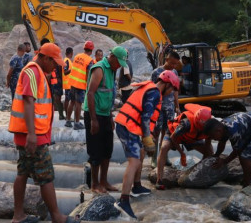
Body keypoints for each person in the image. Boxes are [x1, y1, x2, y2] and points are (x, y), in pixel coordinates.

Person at [9, 43, 79, 223]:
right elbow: (28, 101)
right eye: (54, 62)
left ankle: (18, 216)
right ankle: (57, 217)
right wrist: (32, 134)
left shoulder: (38, 72)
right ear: (45, 58)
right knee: (46, 175)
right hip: (32, 135)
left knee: (23, 172)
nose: (55, 66)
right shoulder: (32, 72)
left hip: (28, 133)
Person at [113, 70, 180, 219]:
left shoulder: (150, 87)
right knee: (134, 161)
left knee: (141, 153)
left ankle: (136, 187)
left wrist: (148, 134)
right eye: (172, 89)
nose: (171, 93)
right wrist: (147, 138)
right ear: (167, 84)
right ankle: (123, 200)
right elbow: (145, 117)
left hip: (129, 125)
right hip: (127, 126)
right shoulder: (154, 93)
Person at [83, 46, 127, 193]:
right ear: (112, 57)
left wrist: (109, 116)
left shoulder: (113, 70)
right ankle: (95, 184)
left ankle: (104, 181)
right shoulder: (99, 68)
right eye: (119, 62)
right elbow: (90, 94)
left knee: (107, 149)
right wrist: (93, 120)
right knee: (95, 150)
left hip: (105, 113)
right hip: (93, 113)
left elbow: (108, 95)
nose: (120, 66)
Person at [203, 112, 251, 187]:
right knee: (242, 152)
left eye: (212, 136)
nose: (213, 139)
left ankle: (247, 183)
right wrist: (216, 155)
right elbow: (222, 141)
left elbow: (237, 151)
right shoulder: (223, 127)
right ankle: (246, 178)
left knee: (244, 156)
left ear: (218, 130)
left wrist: (224, 161)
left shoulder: (233, 130)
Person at [155, 103, 213, 190]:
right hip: (175, 134)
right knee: (164, 148)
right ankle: (159, 180)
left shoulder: (210, 126)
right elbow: (173, 137)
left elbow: (208, 144)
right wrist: (182, 154)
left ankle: (200, 173)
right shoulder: (186, 123)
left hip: (192, 137)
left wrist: (208, 155)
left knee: (210, 152)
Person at [150, 50, 180, 168]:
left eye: (175, 64)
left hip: (170, 107)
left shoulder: (175, 72)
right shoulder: (156, 72)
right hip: (158, 107)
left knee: (167, 132)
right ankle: (153, 157)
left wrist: (177, 106)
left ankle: (164, 156)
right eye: (172, 63)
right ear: (166, 60)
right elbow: (152, 90)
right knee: (156, 132)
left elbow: (176, 91)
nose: (173, 66)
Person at [66, 41, 95, 130]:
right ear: (92, 50)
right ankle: (77, 123)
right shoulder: (90, 60)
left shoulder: (77, 56)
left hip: (72, 83)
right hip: (80, 84)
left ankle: (67, 120)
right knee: (78, 103)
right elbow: (88, 74)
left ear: (84, 48)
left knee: (72, 102)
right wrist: (88, 86)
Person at [62, 47, 74, 127]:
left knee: (68, 99)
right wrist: (73, 70)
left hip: (69, 83)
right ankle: (67, 115)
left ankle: (67, 116)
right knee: (67, 100)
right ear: (71, 53)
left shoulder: (68, 60)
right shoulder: (66, 60)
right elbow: (65, 72)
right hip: (67, 84)